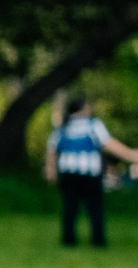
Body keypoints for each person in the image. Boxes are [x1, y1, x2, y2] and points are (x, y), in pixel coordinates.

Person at [46, 95, 138, 248]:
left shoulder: (63, 127)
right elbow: (109, 144)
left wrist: (50, 170)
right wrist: (130, 154)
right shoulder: (93, 125)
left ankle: (68, 240)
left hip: (68, 174)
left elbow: (51, 150)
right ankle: (98, 240)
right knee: (94, 207)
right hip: (90, 174)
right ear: (83, 108)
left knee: (70, 207)